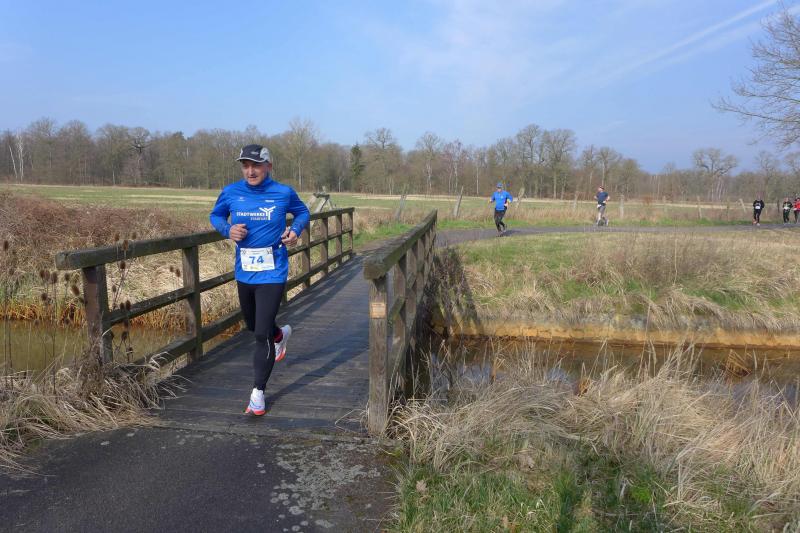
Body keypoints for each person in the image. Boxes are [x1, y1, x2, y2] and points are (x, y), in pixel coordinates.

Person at [210, 144, 310, 416]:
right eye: (245, 165)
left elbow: (302, 212)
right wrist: (228, 229)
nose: (250, 171)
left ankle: (258, 394)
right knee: (254, 326)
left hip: (273, 271)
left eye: (256, 165)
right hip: (245, 271)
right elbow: (216, 215)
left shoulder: (283, 192)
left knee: (260, 335)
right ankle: (280, 335)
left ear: (268, 166)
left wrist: (295, 230)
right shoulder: (231, 192)